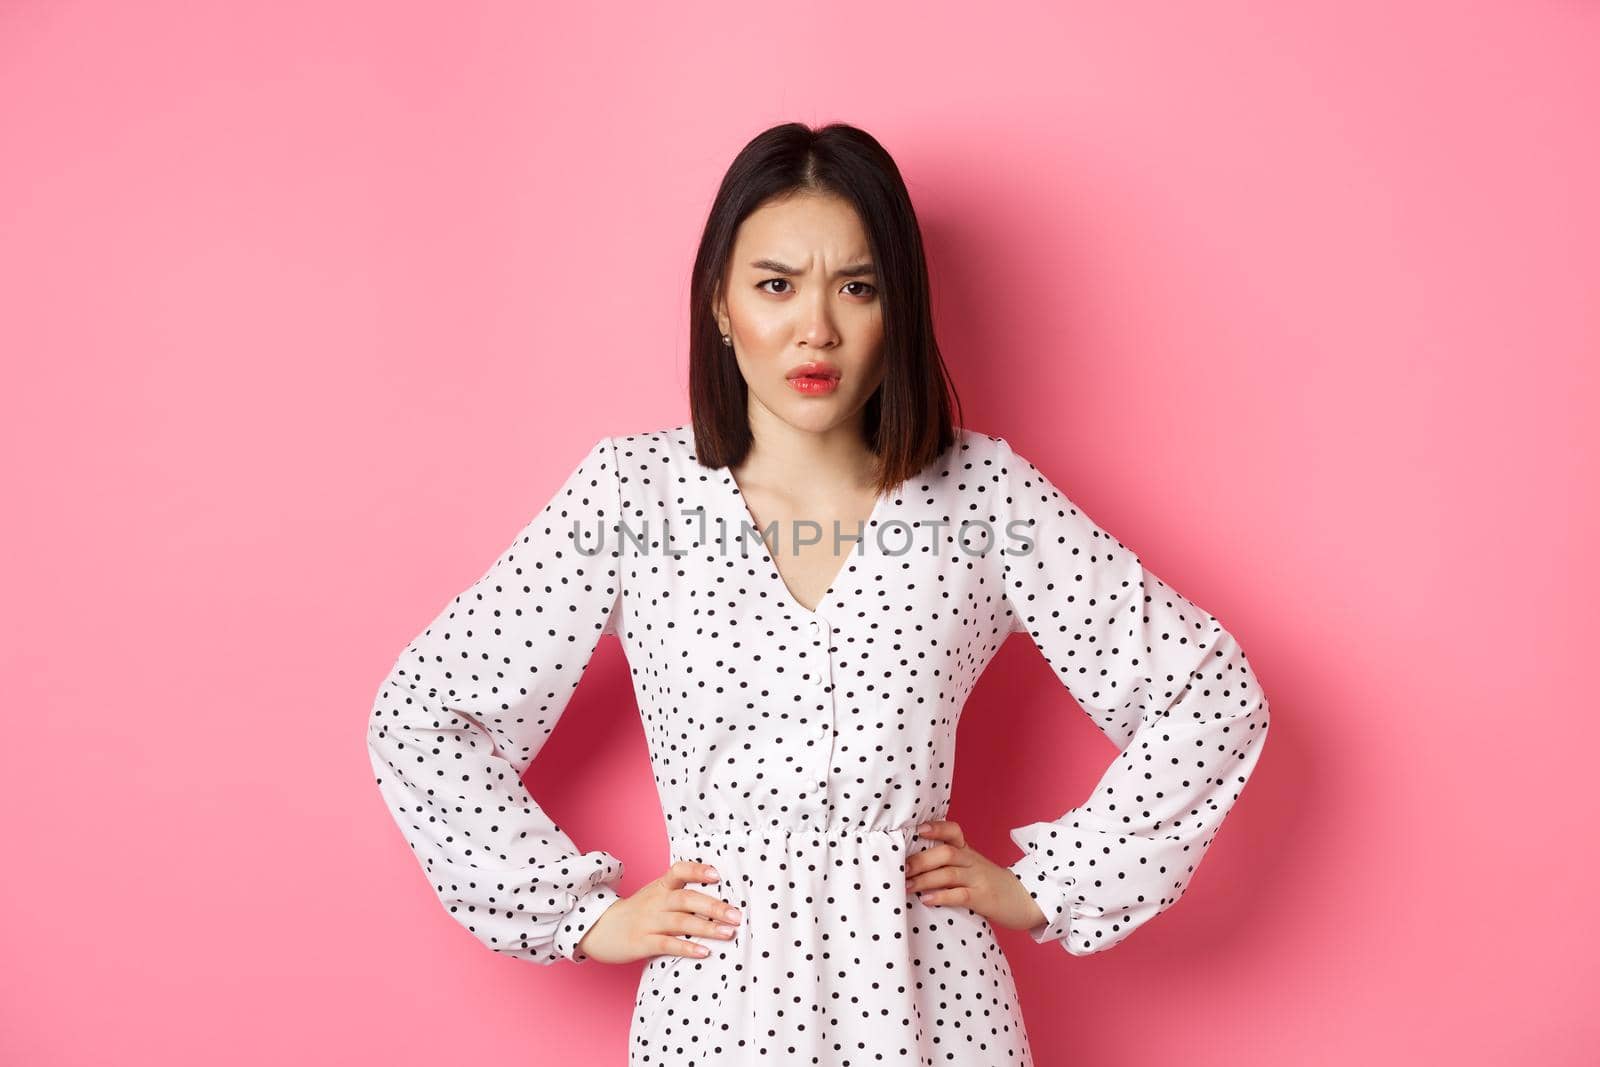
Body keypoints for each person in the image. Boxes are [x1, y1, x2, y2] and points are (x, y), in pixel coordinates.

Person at [365, 121, 1271, 1065]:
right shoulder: (634, 496)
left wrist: (1057, 885)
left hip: (934, 1010)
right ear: (720, 304)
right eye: (776, 284)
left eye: (857, 285)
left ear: (900, 307)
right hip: (715, 1012)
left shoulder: (982, 495)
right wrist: (579, 914)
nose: (817, 328)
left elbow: (1206, 692)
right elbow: (425, 716)